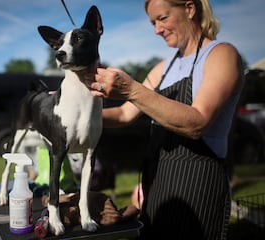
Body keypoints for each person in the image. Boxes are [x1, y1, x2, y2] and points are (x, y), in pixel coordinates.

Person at [88, 0, 244, 239]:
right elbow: (123, 114)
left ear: (190, 9)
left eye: (162, 18)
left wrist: (132, 89)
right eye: (153, 23)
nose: (157, 30)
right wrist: (74, 113)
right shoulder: (164, 67)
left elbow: (197, 123)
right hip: (158, 181)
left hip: (198, 185)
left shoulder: (221, 54)